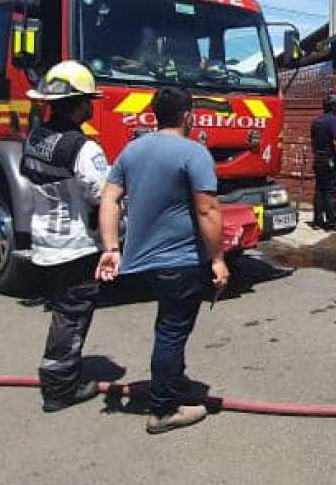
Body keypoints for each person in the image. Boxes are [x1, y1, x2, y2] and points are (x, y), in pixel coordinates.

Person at [96, 86, 228, 435]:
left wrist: (111, 248)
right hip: (181, 259)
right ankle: (164, 409)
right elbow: (208, 208)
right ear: (188, 116)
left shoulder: (132, 150)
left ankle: (173, 377)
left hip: (146, 261)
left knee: (169, 322)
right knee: (172, 329)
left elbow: (109, 198)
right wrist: (218, 258)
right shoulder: (194, 153)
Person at [22, 61, 112, 413]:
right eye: (87, 100)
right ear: (76, 104)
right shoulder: (83, 147)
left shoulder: (35, 138)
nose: (91, 105)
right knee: (73, 313)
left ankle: (61, 371)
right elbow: (102, 194)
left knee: (63, 307)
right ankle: (59, 387)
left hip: (45, 240)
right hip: (76, 244)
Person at [310, 92, 336, 231]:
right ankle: (332, 223)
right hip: (331, 161)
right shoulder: (334, 121)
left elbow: (313, 143)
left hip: (319, 160)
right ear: (335, 107)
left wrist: (317, 156)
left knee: (320, 190)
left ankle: (318, 221)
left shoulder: (316, 121)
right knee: (331, 192)